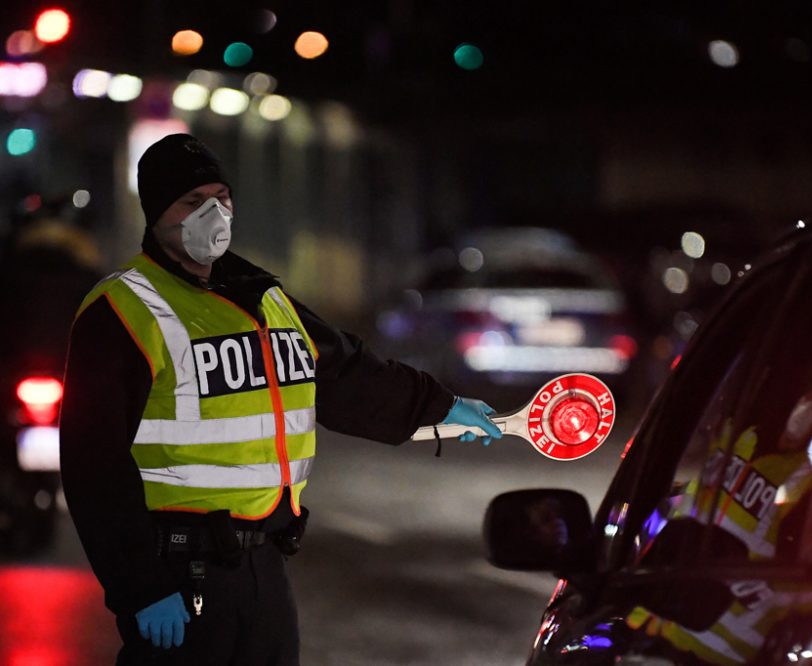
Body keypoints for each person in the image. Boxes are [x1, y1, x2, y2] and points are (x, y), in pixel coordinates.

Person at [59, 133, 503, 665]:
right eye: (192, 202)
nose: (214, 213)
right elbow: (94, 467)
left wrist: (441, 406)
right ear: (157, 213)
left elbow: (348, 374)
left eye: (221, 197)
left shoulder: (265, 298)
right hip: (179, 572)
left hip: (264, 568)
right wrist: (141, 587)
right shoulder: (122, 310)